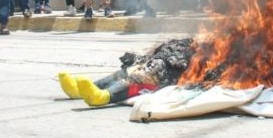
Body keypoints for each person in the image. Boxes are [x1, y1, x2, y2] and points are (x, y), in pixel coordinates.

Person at [57, 38, 193, 106]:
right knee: (125, 72)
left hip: (166, 76)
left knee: (140, 78)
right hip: (158, 62)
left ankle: (103, 96)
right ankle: (79, 90)